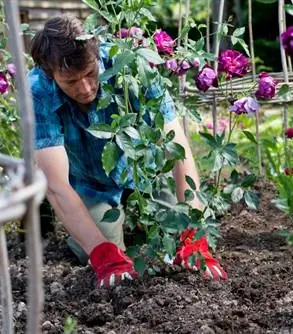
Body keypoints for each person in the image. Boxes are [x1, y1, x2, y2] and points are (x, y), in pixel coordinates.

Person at [28, 13, 227, 287]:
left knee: (177, 232)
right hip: (90, 183)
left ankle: (140, 220)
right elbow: (56, 185)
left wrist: (193, 233)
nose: (85, 88)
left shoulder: (132, 66)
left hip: (146, 172)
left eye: (89, 74)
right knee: (102, 252)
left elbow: (179, 150)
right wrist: (102, 254)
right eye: (71, 82)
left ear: (97, 55)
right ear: (50, 75)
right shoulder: (37, 91)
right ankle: (107, 231)